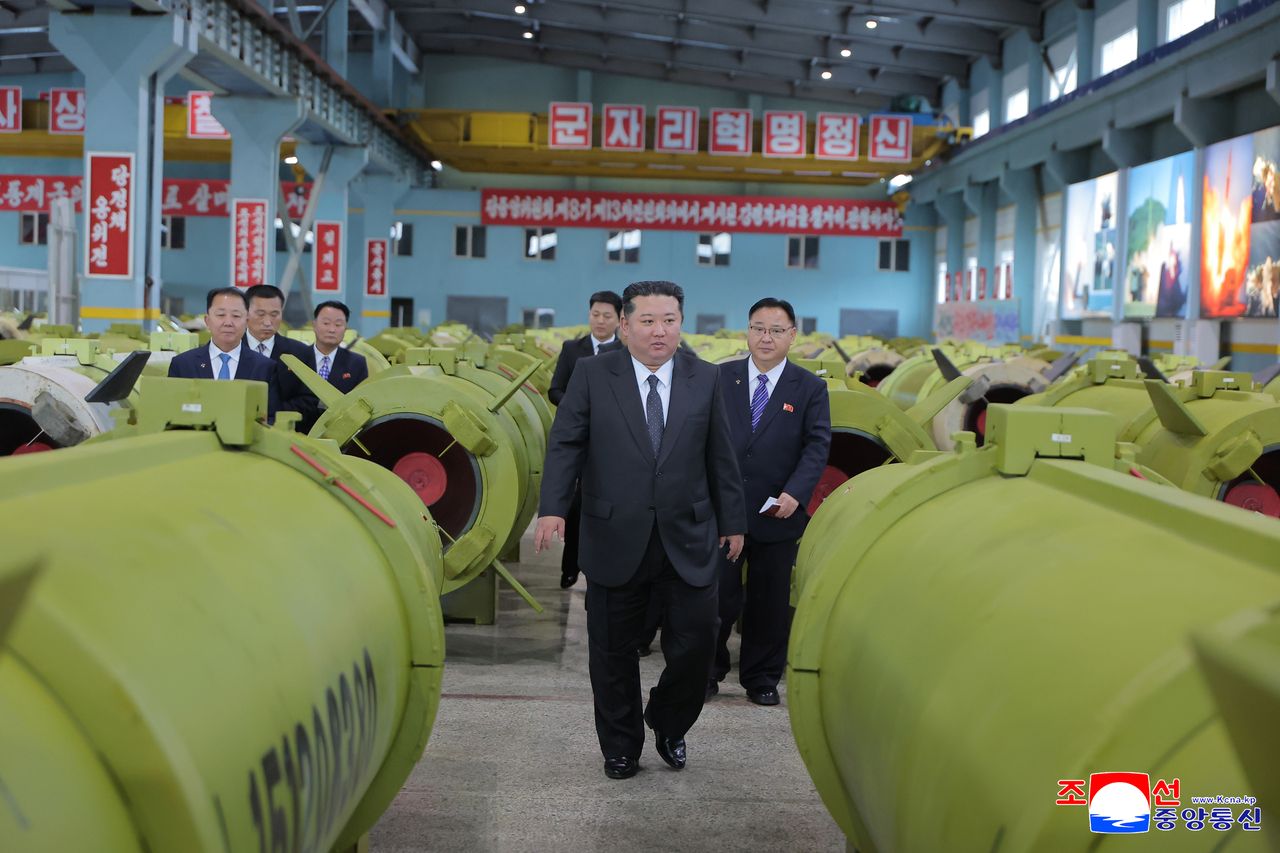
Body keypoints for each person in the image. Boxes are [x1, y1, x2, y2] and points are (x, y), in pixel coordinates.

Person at [535, 280, 746, 781]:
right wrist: (552, 507)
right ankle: (621, 746)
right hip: (614, 534)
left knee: (698, 647)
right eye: (648, 321)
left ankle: (670, 722)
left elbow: (722, 455)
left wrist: (734, 521)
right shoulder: (590, 374)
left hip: (689, 537)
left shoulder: (705, 377)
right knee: (611, 652)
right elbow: (566, 445)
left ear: (681, 323)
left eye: (669, 320)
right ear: (624, 325)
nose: (659, 331)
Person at [709, 298, 831, 706]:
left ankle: (761, 677)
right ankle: (707, 671)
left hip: (778, 512)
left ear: (792, 336)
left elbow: (817, 446)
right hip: (724, 511)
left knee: (769, 601)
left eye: (776, 330)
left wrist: (795, 493)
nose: (766, 337)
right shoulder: (719, 379)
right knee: (717, 597)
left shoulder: (810, 387)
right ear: (747, 331)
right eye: (759, 328)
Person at [548, 291, 625, 589]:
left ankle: (603, 571)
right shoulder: (572, 349)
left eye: (607, 316)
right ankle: (570, 567)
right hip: (579, 438)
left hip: (611, 442)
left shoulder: (625, 352)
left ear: (619, 320)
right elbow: (555, 390)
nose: (600, 321)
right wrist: (577, 407)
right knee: (576, 507)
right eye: (595, 314)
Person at [169, 287, 278, 418]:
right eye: (221, 315)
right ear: (207, 321)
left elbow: (271, 418)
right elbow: (173, 413)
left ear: (246, 321)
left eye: (236, 316)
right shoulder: (183, 364)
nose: (228, 323)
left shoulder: (264, 367)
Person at [244, 284, 318, 419]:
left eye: (274, 314)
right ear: (246, 313)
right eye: (260, 314)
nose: (267, 322)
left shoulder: (301, 353)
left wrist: (274, 416)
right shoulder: (229, 349)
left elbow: (309, 400)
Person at [294, 301, 369, 431]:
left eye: (338, 324)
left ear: (345, 329)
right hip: (297, 433)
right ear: (314, 325)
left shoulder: (357, 363)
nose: (332, 329)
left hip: (339, 435)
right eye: (326, 323)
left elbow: (360, 405)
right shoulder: (296, 359)